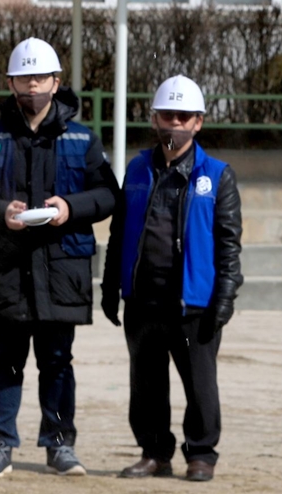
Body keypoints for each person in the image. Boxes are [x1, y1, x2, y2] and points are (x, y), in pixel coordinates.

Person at [0, 37, 116, 478]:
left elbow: (107, 195)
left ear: (57, 82)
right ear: (10, 82)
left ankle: (60, 445)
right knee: (4, 362)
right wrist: (0, 212)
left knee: (58, 363)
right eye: (24, 78)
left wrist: (69, 208)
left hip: (62, 269)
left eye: (40, 78)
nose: (32, 86)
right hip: (5, 270)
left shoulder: (82, 139)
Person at [101, 74, 243, 482]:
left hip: (193, 304)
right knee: (145, 386)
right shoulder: (138, 169)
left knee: (200, 387)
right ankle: (154, 452)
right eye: (168, 115)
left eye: (184, 117)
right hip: (143, 300)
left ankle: (201, 454)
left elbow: (229, 244)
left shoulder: (218, 176)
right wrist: (112, 286)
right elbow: (119, 231)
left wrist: (225, 298)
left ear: (198, 122)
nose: (175, 124)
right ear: (154, 118)